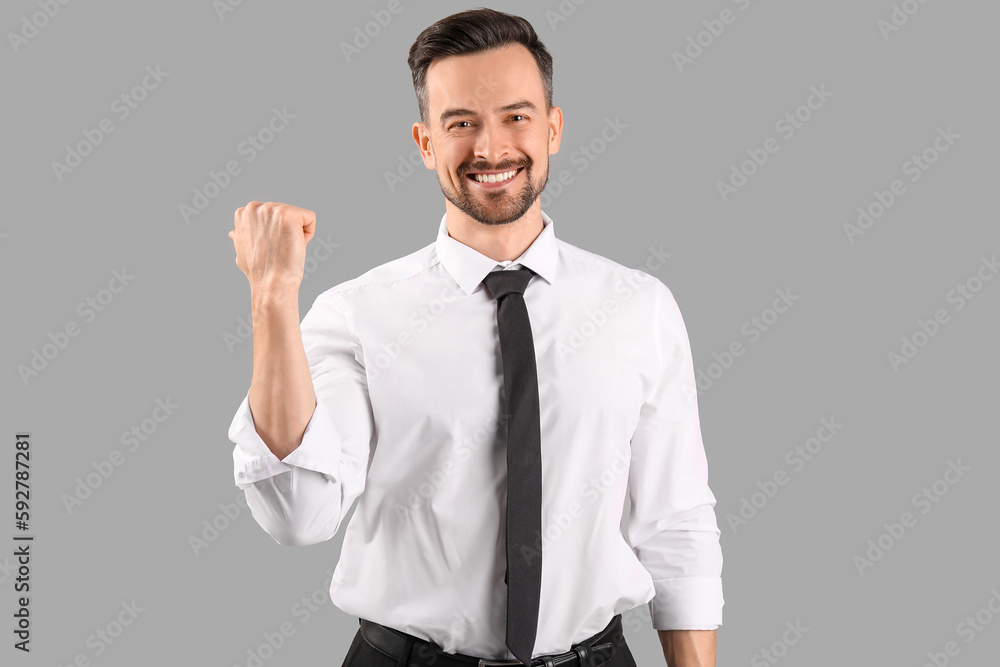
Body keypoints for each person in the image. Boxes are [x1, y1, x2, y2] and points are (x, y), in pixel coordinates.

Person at [227, 8, 722, 667]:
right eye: (461, 123)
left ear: (553, 129)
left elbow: (675, 523)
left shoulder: (639, 307)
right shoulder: (356, 314)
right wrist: (271, 296)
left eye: (516, 117)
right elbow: (298, 515)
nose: (491, 149)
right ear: (426, 142)